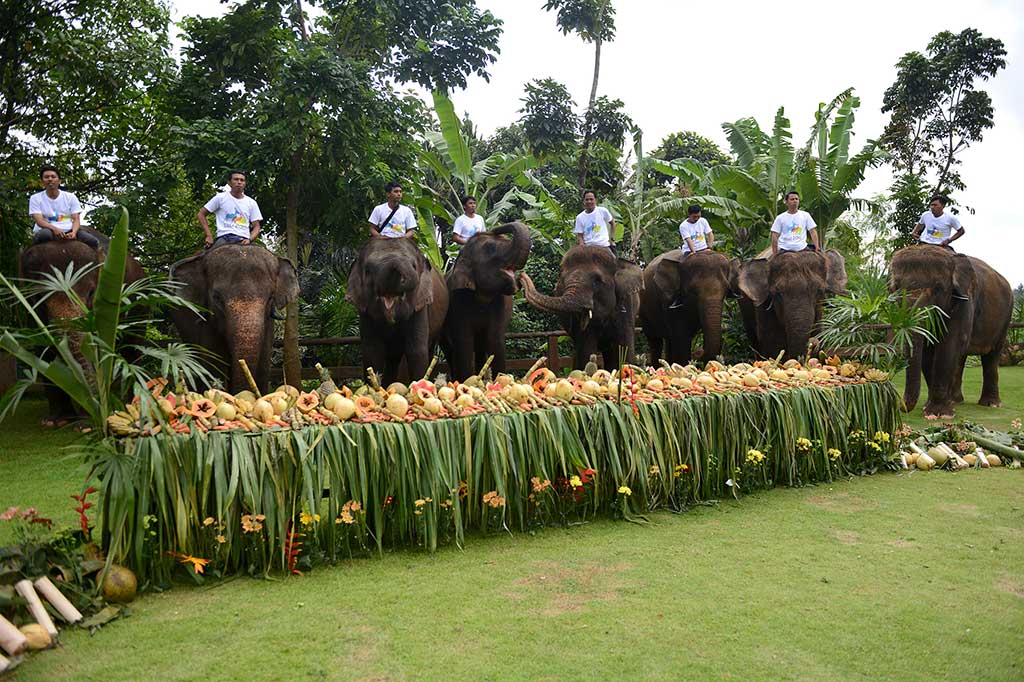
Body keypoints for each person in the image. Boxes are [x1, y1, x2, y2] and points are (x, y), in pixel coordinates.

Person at [28, 165, 99, 248]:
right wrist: (55, 229)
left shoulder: (70, 197)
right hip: (47, 229)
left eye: (53, 177)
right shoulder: (35, 198)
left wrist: (74, 232)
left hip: (68, 228)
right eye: (46, 177)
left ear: (59, 181)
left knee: (93, 241)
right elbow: (39, 221)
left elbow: (76, 219)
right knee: (44, 236)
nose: (50, 179)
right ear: (42, 181)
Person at [198, 170, 263, 248]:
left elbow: (256, 226)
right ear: (229, 182)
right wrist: (209, 235)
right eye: (236, 179)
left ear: (245, 184)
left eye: (242, 180)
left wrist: (249, 239)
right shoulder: (220, 198)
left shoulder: (251, 203)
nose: (239, 182)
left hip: (244, 239)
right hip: (224, 238)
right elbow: (201, 214)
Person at [770, 191, 819, 256]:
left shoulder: (806, 215)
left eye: (796, 199)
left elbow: (813, 231)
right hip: (784, 249)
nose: (795, 201)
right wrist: (775, 253)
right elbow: (774, 235)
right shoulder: (780, 218)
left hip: (802, 248)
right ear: (786, 202)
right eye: (792, 199)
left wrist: (817, 247)